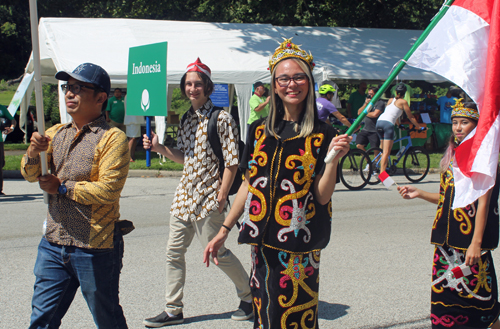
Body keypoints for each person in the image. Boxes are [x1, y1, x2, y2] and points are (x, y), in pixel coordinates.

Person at [203, 38, 350, 329]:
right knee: (264, 311)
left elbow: (322, 197)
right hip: (260, 240)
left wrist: (332, 160)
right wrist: (224, 230)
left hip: (299, 242)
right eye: (283, 78)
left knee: (295, 317)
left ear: (309, 82)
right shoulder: (259, 131)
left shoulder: (323, 133)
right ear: (274, 84)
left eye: (298, 77)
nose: (291, 84)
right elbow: (248, 184)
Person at [142, 58, 253, 327]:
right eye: (188, 84)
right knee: (173, 252)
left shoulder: (222, 118)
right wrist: (158, 148)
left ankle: (250, 297)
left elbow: (232, 161)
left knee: (217, 253)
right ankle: (173, 309)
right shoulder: (186, 119)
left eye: (198, 84)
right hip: (184, 196)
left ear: (207, 86)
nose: (193, 88)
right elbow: (185, 157)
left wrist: (223, 194)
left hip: (209, 196)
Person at [20, 63, 132, 329]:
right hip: (54, 243)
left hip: (95, 246)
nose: (70, 93)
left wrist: (61, 187)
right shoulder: (55, 133)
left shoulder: (112, 138)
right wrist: (34, 153)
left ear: (101, 97)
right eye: (67, 87)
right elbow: (29, 174)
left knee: (107, 319)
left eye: (79, 88)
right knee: (42, 320)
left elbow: (108, 190)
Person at [397, 99, 500, 329]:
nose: (458, 127)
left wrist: (476, 243)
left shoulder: (484, 158)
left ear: (476, 125)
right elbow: (448, 199)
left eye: (465, 122)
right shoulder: (452, 157)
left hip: (470, 243)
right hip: (445, 245)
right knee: (444, 305)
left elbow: (483, 203)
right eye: (454, 122)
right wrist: (420, 193)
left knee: (482, 302)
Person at [375, 83, 423, 174]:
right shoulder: (403, 102)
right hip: (387, 124)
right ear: (405, 93)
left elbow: (393, 113)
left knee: (382, 149)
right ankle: (382, 175)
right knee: (386, 152)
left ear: (396, 92)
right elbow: (411, 117)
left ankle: (378, 165)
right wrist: (419, 127)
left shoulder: (390, 100)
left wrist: (398, 124)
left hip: (379, 122)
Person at [355, 86, 384, 152]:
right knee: (359, 145)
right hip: (366, 129)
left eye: (371, 94)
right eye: (368, 94)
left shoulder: (380, 103)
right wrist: (365, 104)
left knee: (375, 149)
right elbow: (359, 113)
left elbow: (375, 114)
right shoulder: (368, 103)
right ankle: (368, 160)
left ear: (376, 94)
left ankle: (376, 162)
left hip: (375, 130)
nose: (369, 96)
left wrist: (364, 113)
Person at [0, 104, 16, 196]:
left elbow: (12, 120)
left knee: (0, 164)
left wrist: (11, 128)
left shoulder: (2, 109)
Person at [123, 95, 145, 162]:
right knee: (132, 138)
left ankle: (132, 155)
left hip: (136, 120)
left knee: (135, 138)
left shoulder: (133, 95)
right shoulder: (130, 96)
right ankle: (128, 156)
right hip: (132, 120)